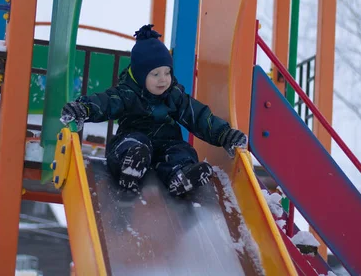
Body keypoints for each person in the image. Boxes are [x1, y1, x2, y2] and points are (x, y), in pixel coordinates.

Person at [60, 24, 248, 196]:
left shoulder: (174, 95)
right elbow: (105, 102)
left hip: (166, 143)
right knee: (129, 144)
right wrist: (83, 108)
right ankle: (130, 168)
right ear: (141, 76)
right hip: (136, 140)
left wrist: (224, 134)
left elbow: (198, 116)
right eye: (155, 74)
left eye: (167, 72)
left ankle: (180, 176)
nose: (163, 79)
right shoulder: (127, 93)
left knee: (182, 150)